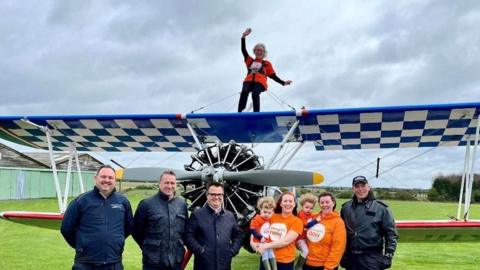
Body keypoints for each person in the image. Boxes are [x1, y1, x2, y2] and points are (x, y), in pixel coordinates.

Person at [61, 165, 133, 270]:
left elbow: (128, 227)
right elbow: (66, 228)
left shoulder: (123, 201)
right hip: (85, 263)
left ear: (115, 180)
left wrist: (116, 241)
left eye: (110, 177)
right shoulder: (81, 201)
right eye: (103, 176)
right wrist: (82, 246)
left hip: (114, 262)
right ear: (96, 178)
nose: (106, 180)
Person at [132, 170, 188, 270]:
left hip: (176, 262)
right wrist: (149, 247)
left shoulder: (182, 205)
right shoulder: (146, 204)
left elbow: (184, 231)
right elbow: (136, 231)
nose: (169, 186)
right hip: (153, 263)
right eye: (166, 182)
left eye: (172, 183)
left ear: (176, 184)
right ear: (159, 183)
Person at [340, 176, 398, 270]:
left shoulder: (381, 208)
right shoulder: (345, 208)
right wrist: (343, 253)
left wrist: (389, 254)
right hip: (351, 258)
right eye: (357, 186)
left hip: (372, 258)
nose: (360, 189)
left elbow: (391, 233)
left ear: (369, 187)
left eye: (363, 186)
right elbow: (341, 233)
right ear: (353, 189)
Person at [184, 182, 244, 270]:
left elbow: (238, 235)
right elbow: (188, 235)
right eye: (213, 194)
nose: (216, 197)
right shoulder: (197, 215)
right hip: (203, 265)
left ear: (223, 195)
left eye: (219, 194)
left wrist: (232, 250)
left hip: (224, 265)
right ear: (207, 195)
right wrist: (200, 250)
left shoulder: (229, 216)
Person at [238, 27, 292, 112]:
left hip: (260, 82)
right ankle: (239, 113)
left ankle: (256, 114)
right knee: (244, 91)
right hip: (248, 81)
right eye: (257, 50)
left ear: (263, 52)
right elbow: (243, 50)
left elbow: (273, 76)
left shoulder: (266, 64)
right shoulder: (250, 61)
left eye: (261, 51)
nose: (259, 52)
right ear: (254, 51)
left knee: (255, 93)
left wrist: (283, 82)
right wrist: (243, 37)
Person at [255, 192, 303, 270]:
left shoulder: (297, 222)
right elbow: (257, 229)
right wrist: (255, 245)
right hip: (267, 258)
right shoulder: (271, 216)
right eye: (285, 201)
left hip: (285, 262)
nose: (288, 203)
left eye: (290, 201)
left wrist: (264, 246)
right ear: (280, 203)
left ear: (294, 204)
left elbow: (285, 241)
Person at [303, 192, 346, 270]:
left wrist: (329, 267)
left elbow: (338, 248)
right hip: (307, 263)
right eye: (322, 202)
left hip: (324, 265)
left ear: (333, 203)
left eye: (327, 202)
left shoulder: (338, 222)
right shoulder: (314, 218)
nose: (324, 204)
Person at [250, 196, 277, 270]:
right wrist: (260, 237)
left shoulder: (270, 219)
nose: (267, 214)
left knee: (271, 254)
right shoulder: (257, 219)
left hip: (267, 242)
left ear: (272, 212)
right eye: (265, 212)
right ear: (260, 210)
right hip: (260, 241)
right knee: (265, 255)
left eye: (269, 213)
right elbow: (252, 229)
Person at [294, 193, 318, 270]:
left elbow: (318, 216)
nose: (309, 210)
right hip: (299, 239)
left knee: (311, 252)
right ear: (302, 206)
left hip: (307, 239)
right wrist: (316, 221)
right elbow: (307, 225)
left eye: (311, 208)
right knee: (306, 251)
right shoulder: (300, 214)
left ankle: (305, 266)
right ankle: (298, 267)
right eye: (306, 207)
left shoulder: (311, 215)